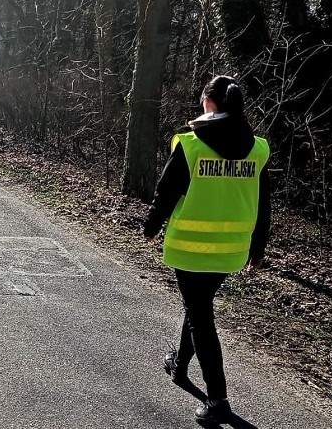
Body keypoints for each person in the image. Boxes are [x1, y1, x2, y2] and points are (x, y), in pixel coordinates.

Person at [143, 75, 271, 424]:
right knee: (198, 305)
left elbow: (166, 192)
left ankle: (218, 401)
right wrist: (257, 249)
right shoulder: (259, 148)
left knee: (201, 316)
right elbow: (264, 204)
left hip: (190, 250)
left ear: (209, 103)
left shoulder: (191, 145)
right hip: (231, 252)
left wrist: (150, 228)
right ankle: (180, 362)